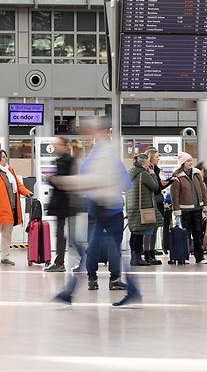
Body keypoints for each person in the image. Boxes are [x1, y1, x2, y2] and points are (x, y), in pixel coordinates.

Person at [51, 117, 140, 308]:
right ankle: (128, 289)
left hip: (107, 210)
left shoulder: (103, 154)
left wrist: (65, 182)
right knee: (105, 251)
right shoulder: (102, 153)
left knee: (99, 251)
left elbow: (93, 180)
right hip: (104, 210)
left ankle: (72, 291)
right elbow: (121, 183)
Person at [0, 149, 33, 267]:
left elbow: (18, 184)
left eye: (6, 156)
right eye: (3, 157)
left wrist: (26, 192)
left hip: (10, 208)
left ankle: (5, 257)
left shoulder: (9, 170)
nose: (5, 159)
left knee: (7, 235)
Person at [44, 137, 82, 272]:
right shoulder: (61, 161)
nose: (56, 147)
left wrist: (53, 179)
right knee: (61, 233)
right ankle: (60, 262)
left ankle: (81, 260)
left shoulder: (69, 161)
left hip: (67, 203)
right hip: (62, 203)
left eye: (58, 145)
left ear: (65, 146)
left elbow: (67, 181)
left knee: (70, 236)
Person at [171, 152, 207, 265]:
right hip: (184, 210)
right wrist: (176, 210)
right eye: (188, 161)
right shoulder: (177, 176)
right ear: (182, 163)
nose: (190, 162)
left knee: (198, 233)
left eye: (191, 160)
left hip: (197, 208)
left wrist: (205, 206)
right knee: (185, 234)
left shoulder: (197, 174)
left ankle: (200, 257)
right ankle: (184, 256)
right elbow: (175, 195)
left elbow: (203, 191)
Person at [127, 153, 162, 267]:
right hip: (143, 207)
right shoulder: (143, 174)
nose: (149, 165)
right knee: (140, 234)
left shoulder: (131, 173)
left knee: (135, 233)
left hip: (133, 207)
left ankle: (134, 257)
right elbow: (155, 186)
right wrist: (153, 174)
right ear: (143, 163)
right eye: (147, 163)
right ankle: (137, 257)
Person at [145, 147, 177, 260]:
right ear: (151, 158)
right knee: (151, 228)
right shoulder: (150, 171)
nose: (159, 159)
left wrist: (171, 180)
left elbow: (159, 185)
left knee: (154, 228)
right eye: (157, 157)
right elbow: (156, 186)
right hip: (152, 202)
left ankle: (151, 251)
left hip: (157, 201)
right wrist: (170, 181)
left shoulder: (156, 170)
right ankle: (149, 252)